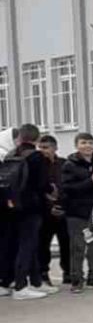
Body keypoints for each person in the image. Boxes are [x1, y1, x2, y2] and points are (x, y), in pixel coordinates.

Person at [0, 124, 50, 299]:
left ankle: (8, 282)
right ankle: (21, 286)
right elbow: (42, 184)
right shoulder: (37, 157)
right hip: (31, 207)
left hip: (11, 205)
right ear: (37, 139)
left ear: (20, 138)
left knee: (11, 244)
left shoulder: (10, 155)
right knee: (28, 245)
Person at [60, 132, 93, 293]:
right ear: (77, 145)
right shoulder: (69, 165)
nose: (87, 146)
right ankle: (76, 279)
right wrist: (90, 181)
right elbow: (68, 189)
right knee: (78, 247)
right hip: (76, 212)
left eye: (90, 143)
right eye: (83, 143)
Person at [36, 135, 70, 291]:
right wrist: (49, 206)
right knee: (43, 244)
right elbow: (37, 189)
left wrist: (62, 205)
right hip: (45, 211)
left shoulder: (64, 164)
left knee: (66, 242)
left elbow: (68, 186)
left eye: (46, 147)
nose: (43, 151)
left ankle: (68, 272)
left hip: (63, 209)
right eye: (40, 148)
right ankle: (44, 274)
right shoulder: (37, 166)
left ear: (55, 148)